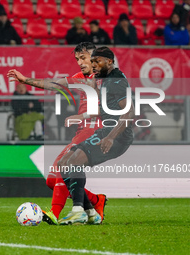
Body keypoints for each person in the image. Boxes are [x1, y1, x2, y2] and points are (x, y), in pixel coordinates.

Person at [7, 42, 107, 225]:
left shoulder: (106, 78)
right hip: (82, 131)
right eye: (77, 59)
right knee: (53, 180)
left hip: (95, 130)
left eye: (83, 58)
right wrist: (25, 80)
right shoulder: (81, 77)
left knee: (63, 166)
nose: (80, 62)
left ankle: (55, 212)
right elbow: (54, 85)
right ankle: (93, 203)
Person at [58, 46, 134, 225]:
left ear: (109, 61)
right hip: (106, 131)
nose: (93, 65)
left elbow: (129, 112)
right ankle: (91, 212)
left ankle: (78, 211)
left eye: (96, 61)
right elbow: (104, 107)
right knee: (64, 163)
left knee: (74, 161)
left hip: (117, 135)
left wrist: (110, 137)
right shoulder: (104, 79)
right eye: (91, 61)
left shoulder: (117, 80)